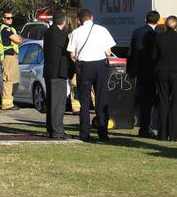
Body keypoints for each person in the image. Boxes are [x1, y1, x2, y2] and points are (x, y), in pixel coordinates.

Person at [67, 9, 116, 142]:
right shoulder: (102, 30)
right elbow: (108, 51)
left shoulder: (75, 33)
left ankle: (84, 134)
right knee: (101, 99)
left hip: (84, 66)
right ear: (92, 18)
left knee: (84, 101)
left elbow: (72, 54)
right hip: (100, 65)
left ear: (79, 20)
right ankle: (103, 132)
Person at [152, 15, 177, 141]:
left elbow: (154, 56)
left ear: (166, 26)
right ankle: (174, 134)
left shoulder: (159, 37)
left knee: (163, 102)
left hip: (162, 71)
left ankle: (162, 134)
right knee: (175, 103)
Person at [128, 10, 160, 138]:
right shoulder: (154, 35)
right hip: (150, 71)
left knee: (142, 100)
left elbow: (131, 51)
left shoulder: (136, 32)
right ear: (157, 22)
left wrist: (130, 70)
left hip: (139, 70)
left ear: (145, 19)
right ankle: (146, 127)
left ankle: (143, 126)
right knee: (149, 101)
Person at [43, 10, 73, 139]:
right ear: (64, 21)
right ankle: (57, 131)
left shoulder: (48, 32)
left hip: (49, 71)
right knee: (58, 104)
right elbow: (68, 51)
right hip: (58, 72)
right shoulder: (60, 35)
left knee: (51, 102)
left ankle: (51, 129)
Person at [0, 11, 23, 110]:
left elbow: (19, 39)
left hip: (13, 56)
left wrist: (19, 38)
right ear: (3, 19)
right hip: (8, 57)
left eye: (11, 18)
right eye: (7, 18)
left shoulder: (11, 29)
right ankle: (6, 104)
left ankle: (10, 101)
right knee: (8, 80)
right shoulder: (5, 29)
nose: (10, 19)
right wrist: (19, 38)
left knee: (14, 80)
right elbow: (18, 40)